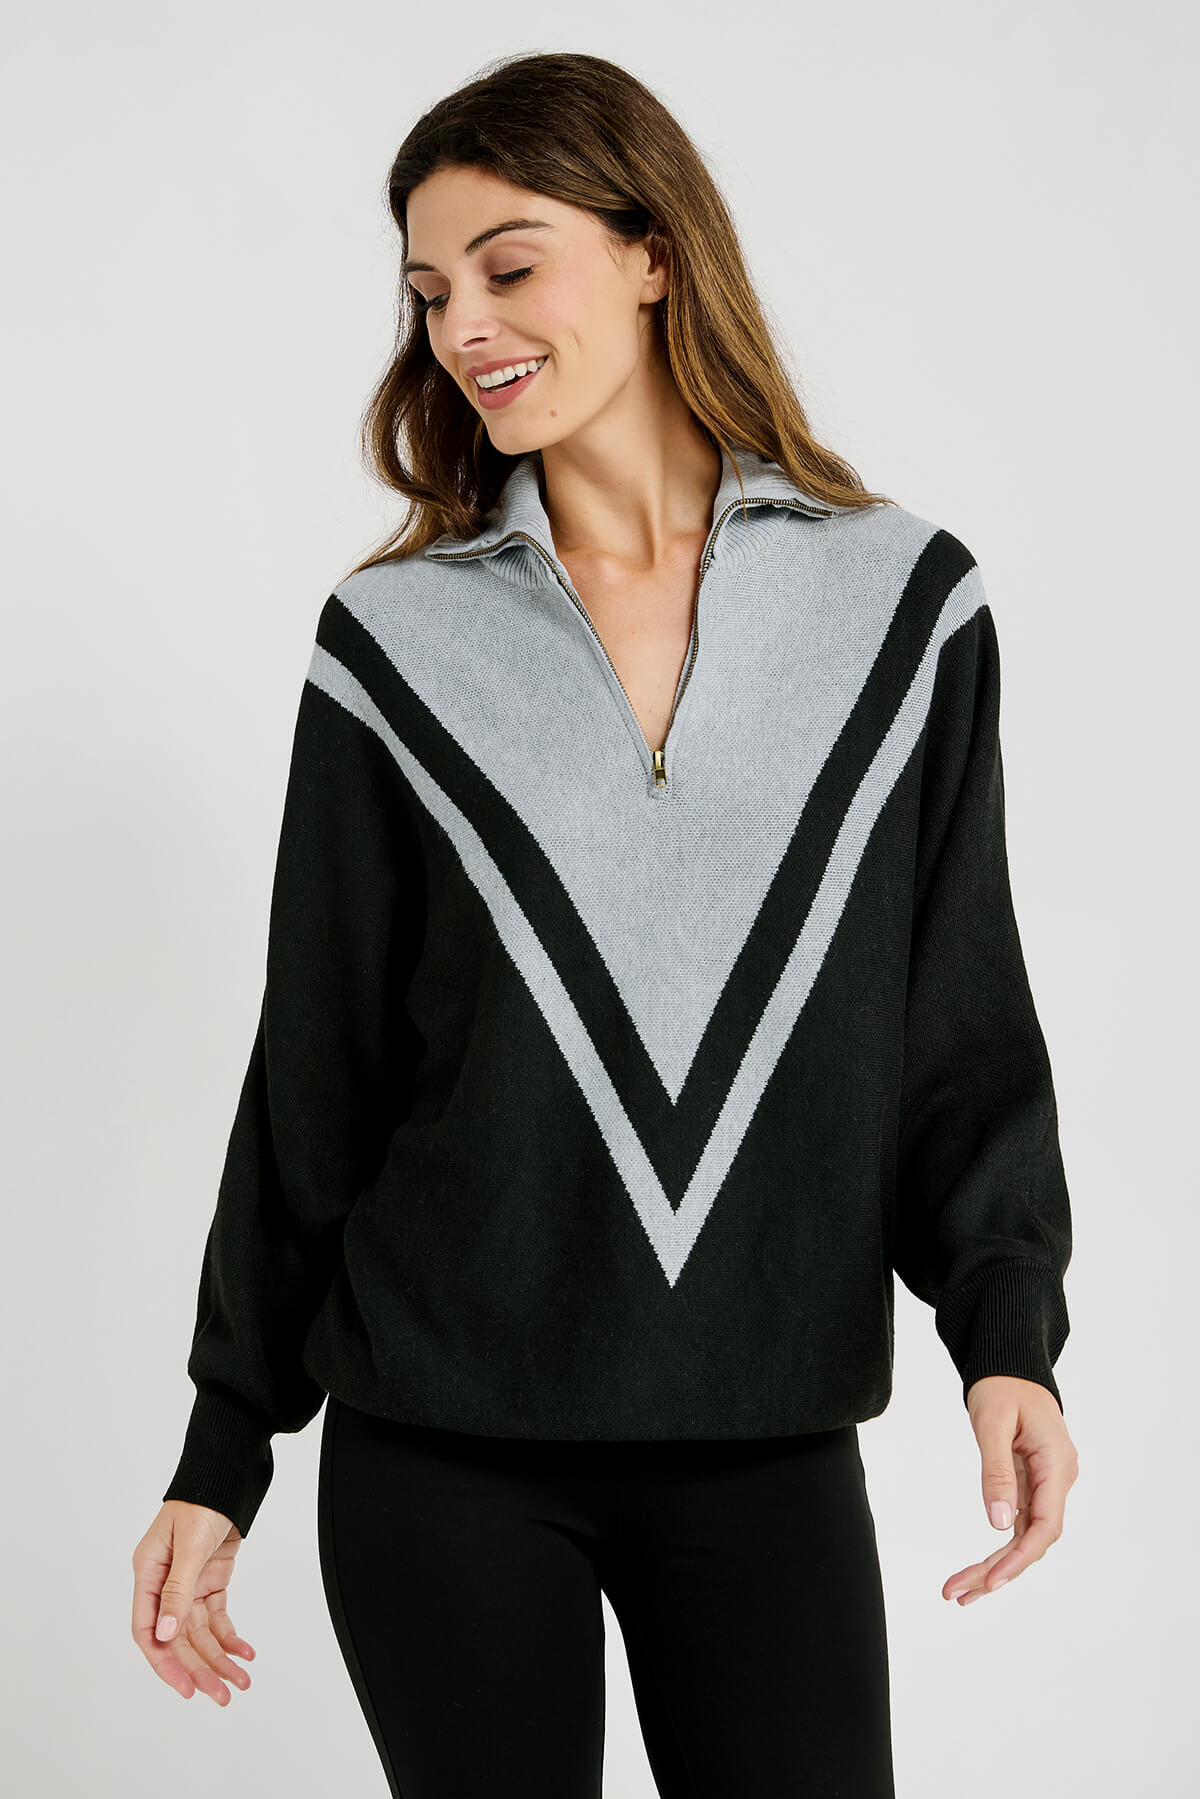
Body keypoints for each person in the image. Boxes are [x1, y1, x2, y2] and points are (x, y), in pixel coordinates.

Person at [131, 50, 1079, 1798]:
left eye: (510, 265)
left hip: (766, 1437)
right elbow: (316, 1070)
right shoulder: (394, 644)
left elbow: (959, 1022)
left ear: (653, 252)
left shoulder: (903, 608)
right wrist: (223, 1444)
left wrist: (1006, 1337)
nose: (464, 328)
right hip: (438, 1449)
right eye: (431, 293)